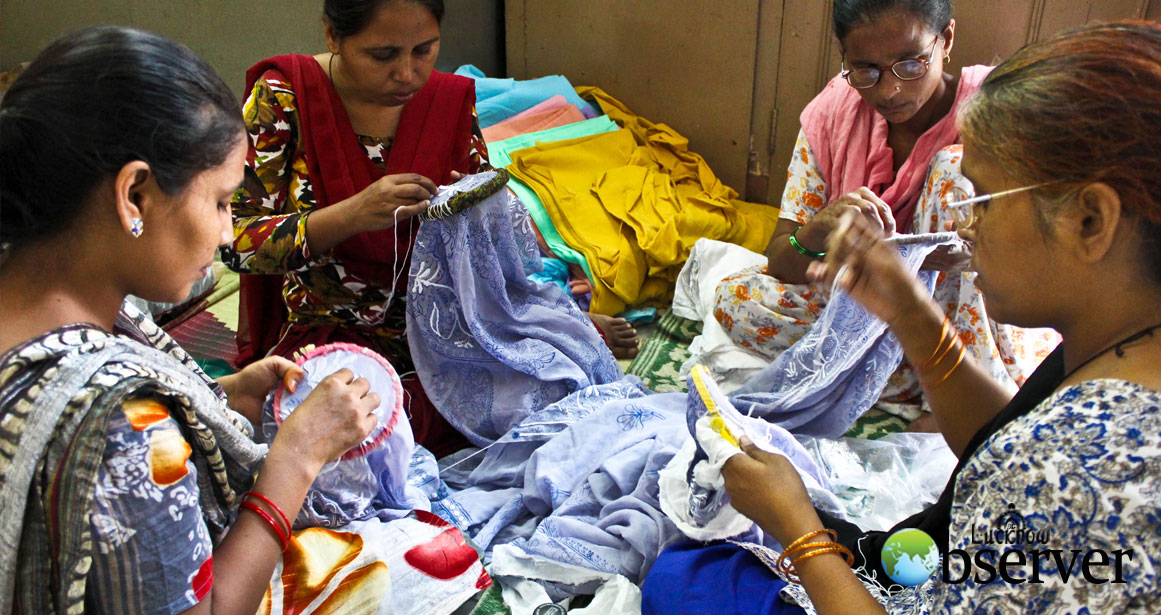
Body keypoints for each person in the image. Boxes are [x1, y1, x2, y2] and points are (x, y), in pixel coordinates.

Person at [647, 20, 1161, 614]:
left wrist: (798, 528)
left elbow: (1027, 463)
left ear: (1090, 220)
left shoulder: (1079, 466)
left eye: (983, 201)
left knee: (687, 577)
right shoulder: (1118, 343)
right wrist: (908, 310)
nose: (966, 226)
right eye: (866, 71)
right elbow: (1002, 445)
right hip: (952, 551)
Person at [0, 26, 486, 615]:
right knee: (434, 562)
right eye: (223, 202)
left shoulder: (64, 303)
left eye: (422, 50)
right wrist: (296, 460)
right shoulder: (126, 424)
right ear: (135, 195)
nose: (229, 232)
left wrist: (225, 394)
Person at [704, 0, 1058, 423]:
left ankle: (960, 390)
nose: (889, 90)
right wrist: (821, 230)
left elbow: (1044, 249)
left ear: (945, 40)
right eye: (866, 71)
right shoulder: (833, 114)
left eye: (910, 64)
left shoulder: (994, 109)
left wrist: (974, 251)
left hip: (973, 310)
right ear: (845, 62)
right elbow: (780, 256)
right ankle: (910, 373)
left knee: (952, 170)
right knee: (735, 298)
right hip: (874, 311)